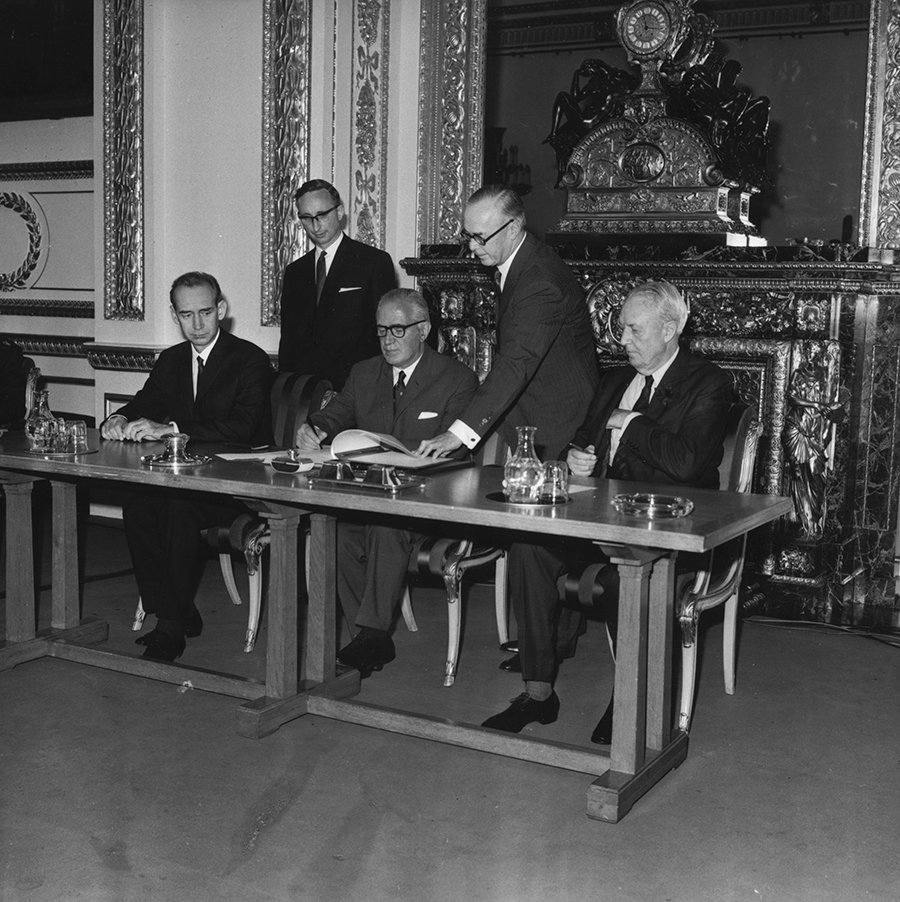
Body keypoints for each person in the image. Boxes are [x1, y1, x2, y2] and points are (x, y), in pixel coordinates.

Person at [481, 281, 734, 742]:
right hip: (602, 522)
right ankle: (538, 693)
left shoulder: (708, 382)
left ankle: (631, 696)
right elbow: (584, 440)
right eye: (620, 329)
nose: (624, 341)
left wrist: (632, 422)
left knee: (627, 578)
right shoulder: (615, 380)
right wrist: (579, 458)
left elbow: (686, 464)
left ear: (671, 329)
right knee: (528, 547)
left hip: (667, 532)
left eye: (635, 330)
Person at [295, 289, 479, 675]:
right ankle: (369, 637)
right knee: (339, 530)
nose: (388, 341)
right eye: (381, 331)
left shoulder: (456, 377)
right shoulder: (364, 373)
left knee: (384, 525)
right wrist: (313, 428)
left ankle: (371, 636)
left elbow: (457, 450)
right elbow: (336, 414)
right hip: (372, 492)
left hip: (428, 499)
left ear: (424, 329)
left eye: (398, 329)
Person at [100, 271, 272, 662]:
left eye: (205, 313)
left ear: (221, 310)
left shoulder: (249, 359)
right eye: (186, 314)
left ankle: (170, 628)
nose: (196, 324)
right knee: (138, 507)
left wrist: (170, 428)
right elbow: (145, 402)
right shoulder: (171, 360)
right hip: (188, 478)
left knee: (176, 507)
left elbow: (241, 428)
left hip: (236, 481)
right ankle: (179, 610)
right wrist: (120, 419)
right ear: (175, 316)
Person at [417, 183, 598, 464]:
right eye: (468, 235)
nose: (473, 247)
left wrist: (456, 435)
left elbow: (516, 363)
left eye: (480, 237)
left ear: (513, 229)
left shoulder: (541, 282)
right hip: (524, 418)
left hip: (557, 430)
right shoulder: (520, 262)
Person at [277, 179, 397, 390]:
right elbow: (287, 342)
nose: (315, 226)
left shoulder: (373, 262)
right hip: (304, 392)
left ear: (339, 212)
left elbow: (385, 334)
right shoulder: (295, 272)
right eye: (307, 218)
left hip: (356, 389)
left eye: (322, 215)